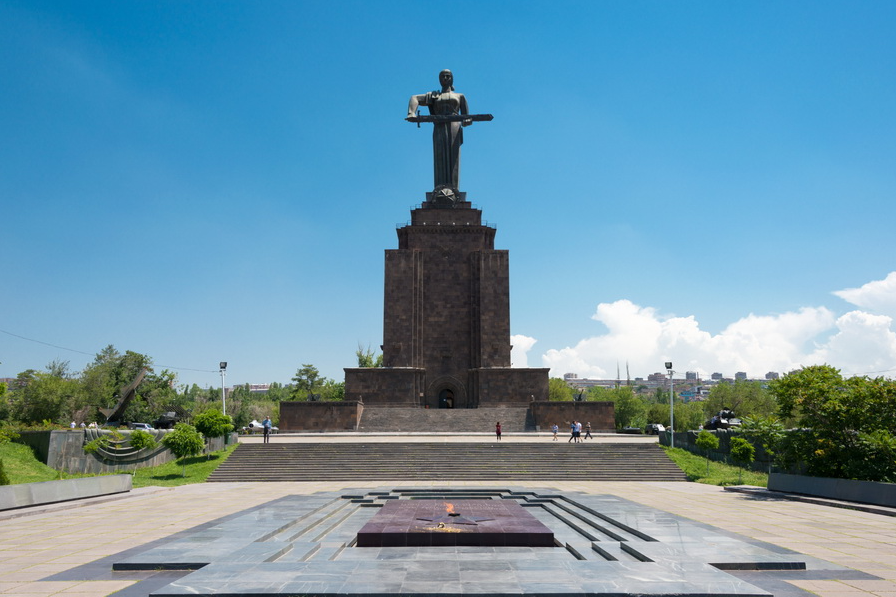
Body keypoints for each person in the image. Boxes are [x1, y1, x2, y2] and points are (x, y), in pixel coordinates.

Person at [406, 69, 470, 191]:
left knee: (454, 158)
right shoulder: (434, 96)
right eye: (442, 77)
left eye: (448, 76)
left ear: (452, 79)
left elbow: (467, 117)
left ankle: (454, 191)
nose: (445, 78)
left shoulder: (460, 96)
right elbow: (414, 98)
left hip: (454, 127)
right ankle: (439, 190)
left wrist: (467, 121)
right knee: (439, 157)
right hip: (439, 127)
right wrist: (411, 113)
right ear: (439, 80)